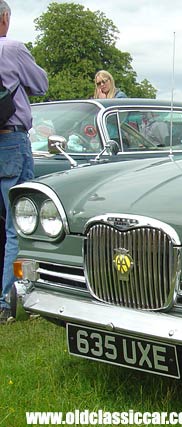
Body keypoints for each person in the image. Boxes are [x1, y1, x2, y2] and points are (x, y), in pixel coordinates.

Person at [0, 0, 48, 324]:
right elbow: (41, 84)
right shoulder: (12, 48)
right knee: (20, 225)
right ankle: (8, 302)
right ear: (4, 18)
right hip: (11, 140)